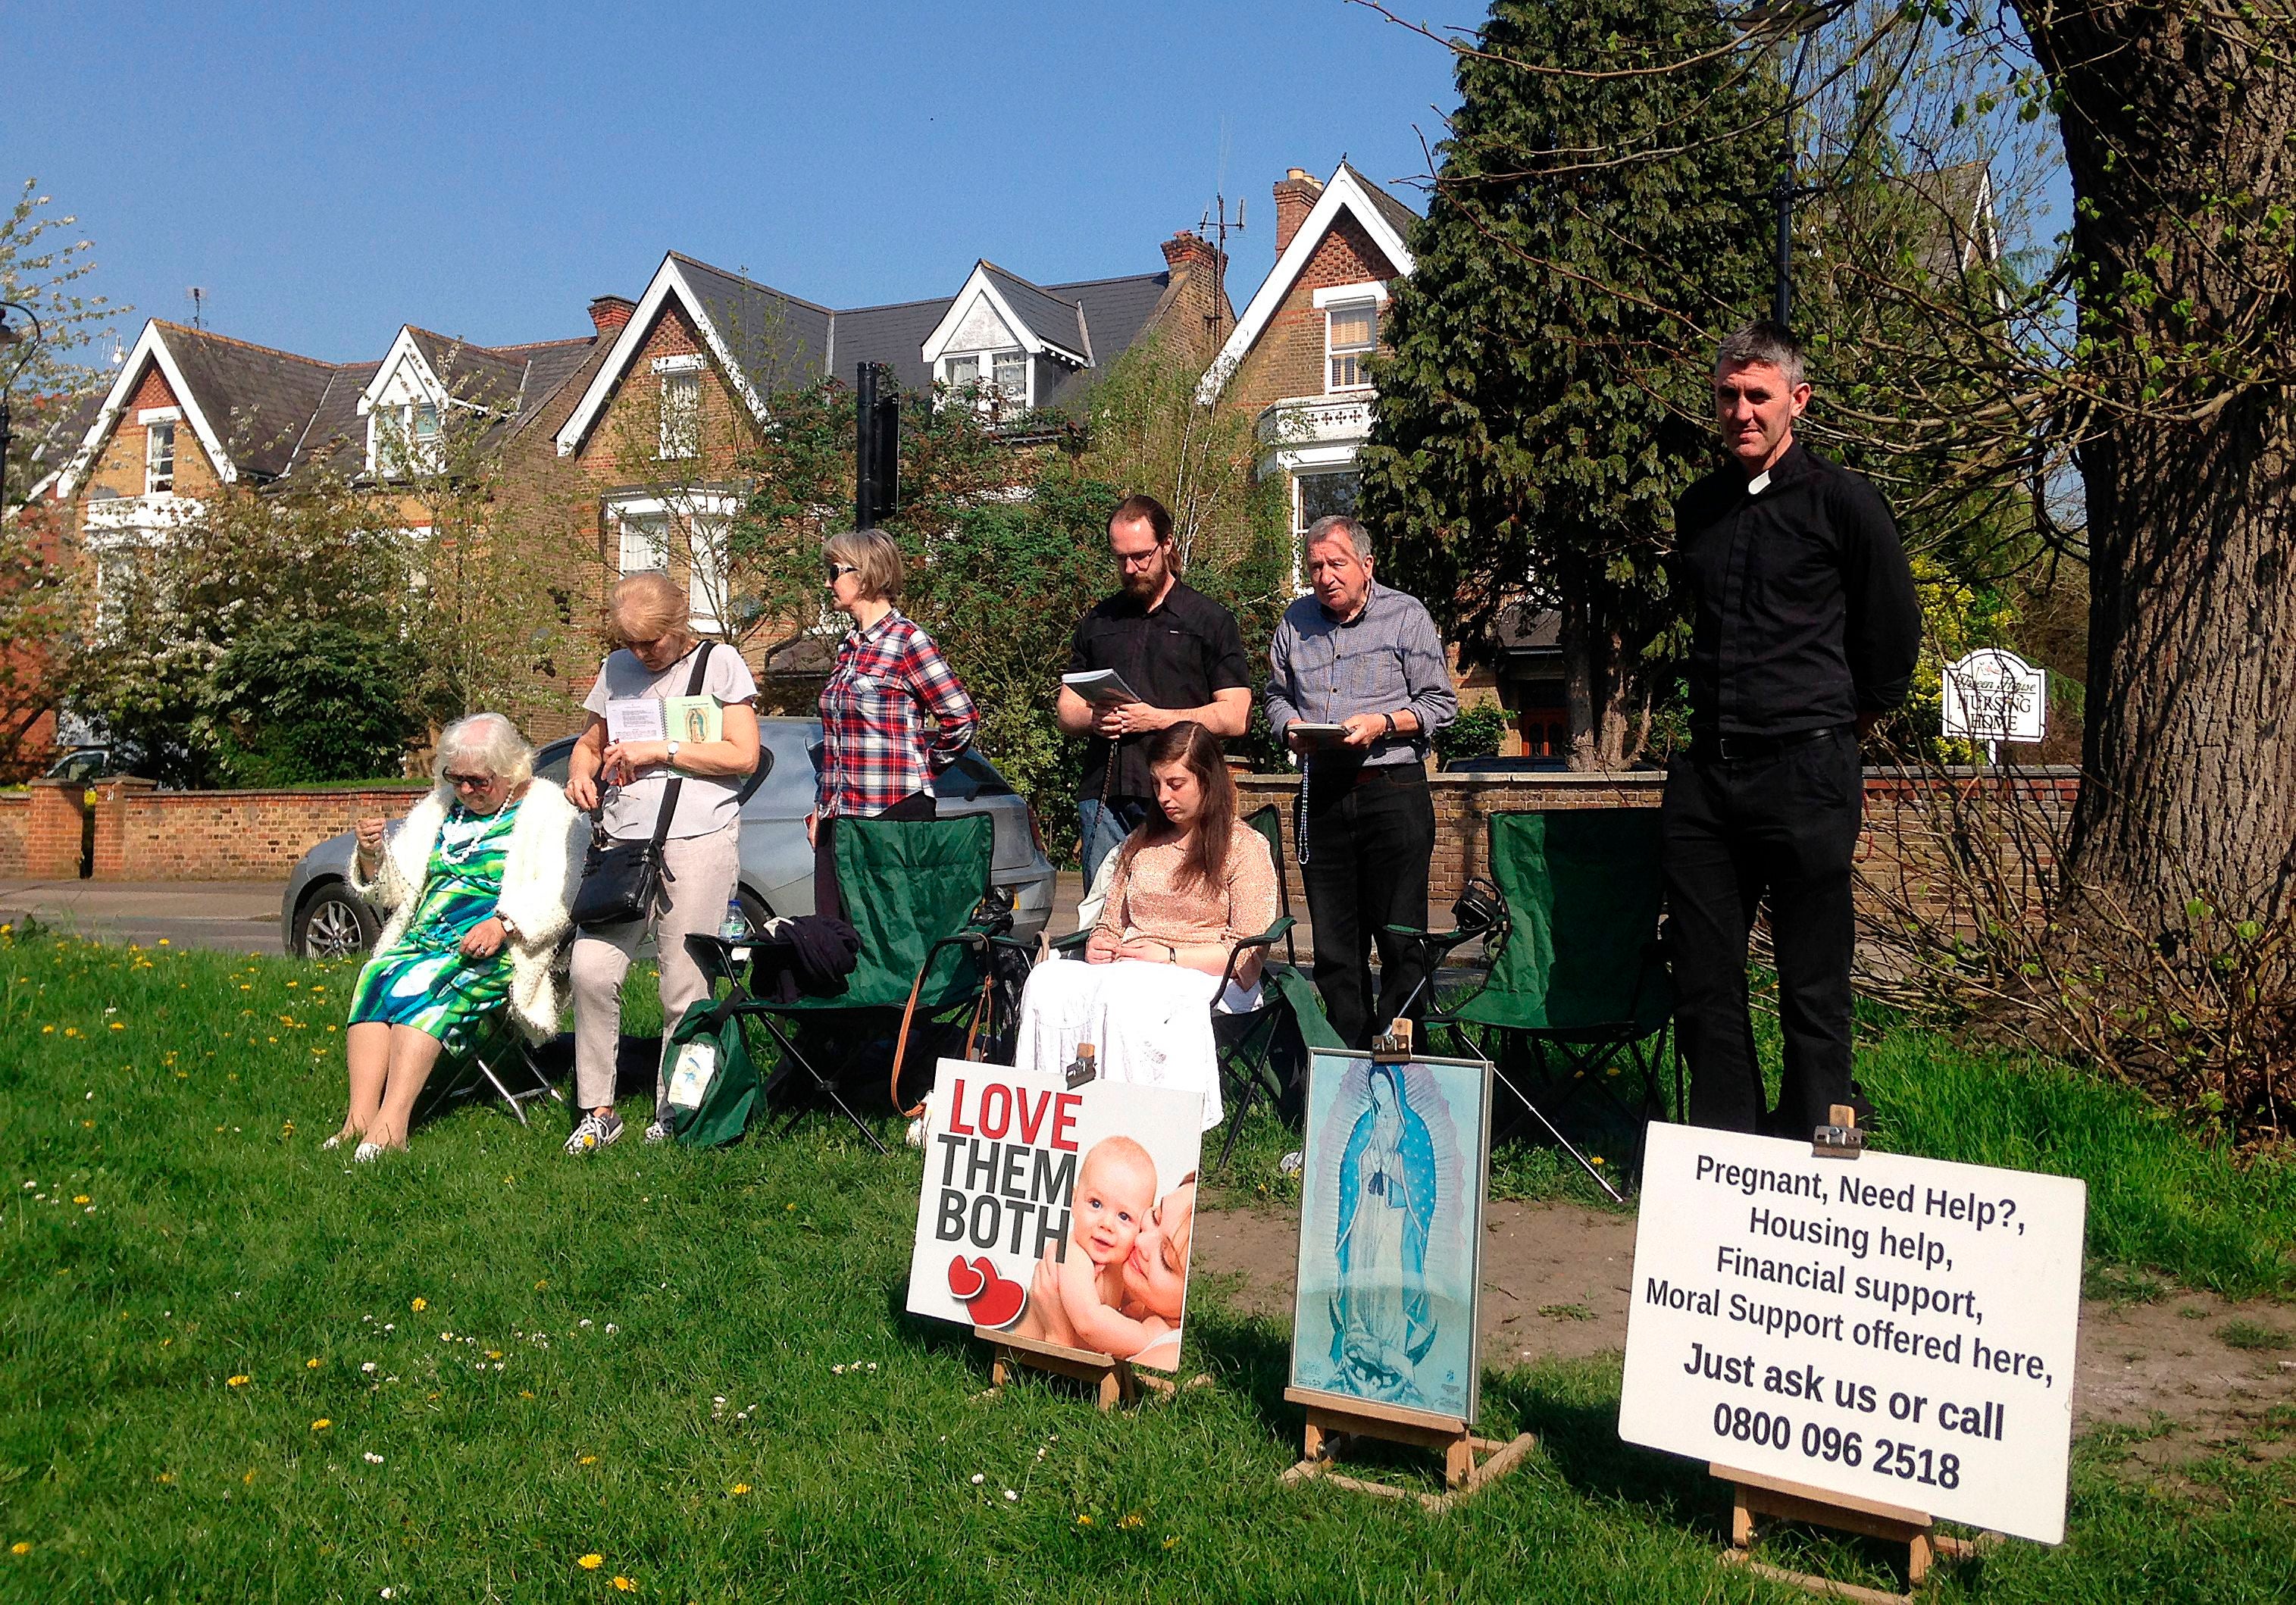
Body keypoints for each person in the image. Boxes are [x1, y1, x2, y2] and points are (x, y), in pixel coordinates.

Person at [1663, 321, 1921, 1137]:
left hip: (1806, 772)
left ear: (1796, 401)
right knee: (1704, 976)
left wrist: (1835, 727)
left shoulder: (1843, 503)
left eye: (1758, 397)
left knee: (1813, 980)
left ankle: (1817, 1141)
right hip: (1708, 776)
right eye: (1728, 396)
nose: (1741, 411)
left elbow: (1891, 639)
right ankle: (1727, 1155)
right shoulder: (1698, 508)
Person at [563, 571, 762, 1155]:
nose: (641, 655)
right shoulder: (616, 669)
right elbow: (589, 744)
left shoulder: (720, 663)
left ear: (678, 626)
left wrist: (662, 750)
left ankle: (675, 1108)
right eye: (631, 644)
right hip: (624, 846)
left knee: (686, 982)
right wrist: (580, 771)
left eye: (651, 643)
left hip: (698, 838)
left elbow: (744, 755)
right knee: (590, 970)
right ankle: (597, 1107)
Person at [331, 713, 584, 1160]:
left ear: (513, 771)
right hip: (424, 938)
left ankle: (392, 1126)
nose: (465, 790)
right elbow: (395, 889)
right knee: (377, 973)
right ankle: (358, 1120)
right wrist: (372, 858)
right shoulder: (439, 807)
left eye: (478, 781)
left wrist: (504, 924)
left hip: (497, 947)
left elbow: (561, 893)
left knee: (430, 985)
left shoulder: (546, 808)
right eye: (456, 778)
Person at [1013, 721, 1278, 1131]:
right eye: (1157, 784)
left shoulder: (1245, 849)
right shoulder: (1142, 842)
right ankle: (1047, 1113)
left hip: (1207, 972)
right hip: (1131, 965)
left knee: (1125, 995)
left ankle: (1129, 1124)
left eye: (1176, 783)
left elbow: (1246, 951)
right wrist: (1099, 943)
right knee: (1046, 981)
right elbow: (1110, 920)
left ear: (1208, 779)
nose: (1163, 797)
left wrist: (1170, 956)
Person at [1265, 515, 1458, 1048]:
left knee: (1399, 938)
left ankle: (1400, 1053)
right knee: (1333, 945)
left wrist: (1383, 724)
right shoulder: (1295, 621)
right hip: (1321, 791)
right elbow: (1275, 696)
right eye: (1315, 566)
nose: (1325, 576)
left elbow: (1440, 704)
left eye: (1337, 563)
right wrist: (1290, 730)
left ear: (1367, 565)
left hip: (1391, 787)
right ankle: (1347, 1060)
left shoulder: (1406, 616)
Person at [1057, 494, 1253, 884]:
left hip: (1181, 798)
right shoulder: (1099, 621)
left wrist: (1157, 719)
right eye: (1121, 559)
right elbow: (1066, 709)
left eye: (1142, 556)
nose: (1131, 568)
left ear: (1167, 545)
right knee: (1102, 918)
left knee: (1172, 916)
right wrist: (1094, 719)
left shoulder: (1208, 620)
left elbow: (1236, 716)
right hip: (1106, 797)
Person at [809, 528, 979, 924]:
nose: (828, 582)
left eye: (834, 571)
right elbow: (839, 744)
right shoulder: (848, 649)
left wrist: (923, 768)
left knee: (889, 936)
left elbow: (961, 717)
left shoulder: (908, 641)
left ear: (864, 575)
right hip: (841, 819)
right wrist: (821, 809)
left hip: (892, 816)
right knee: (837, 934)